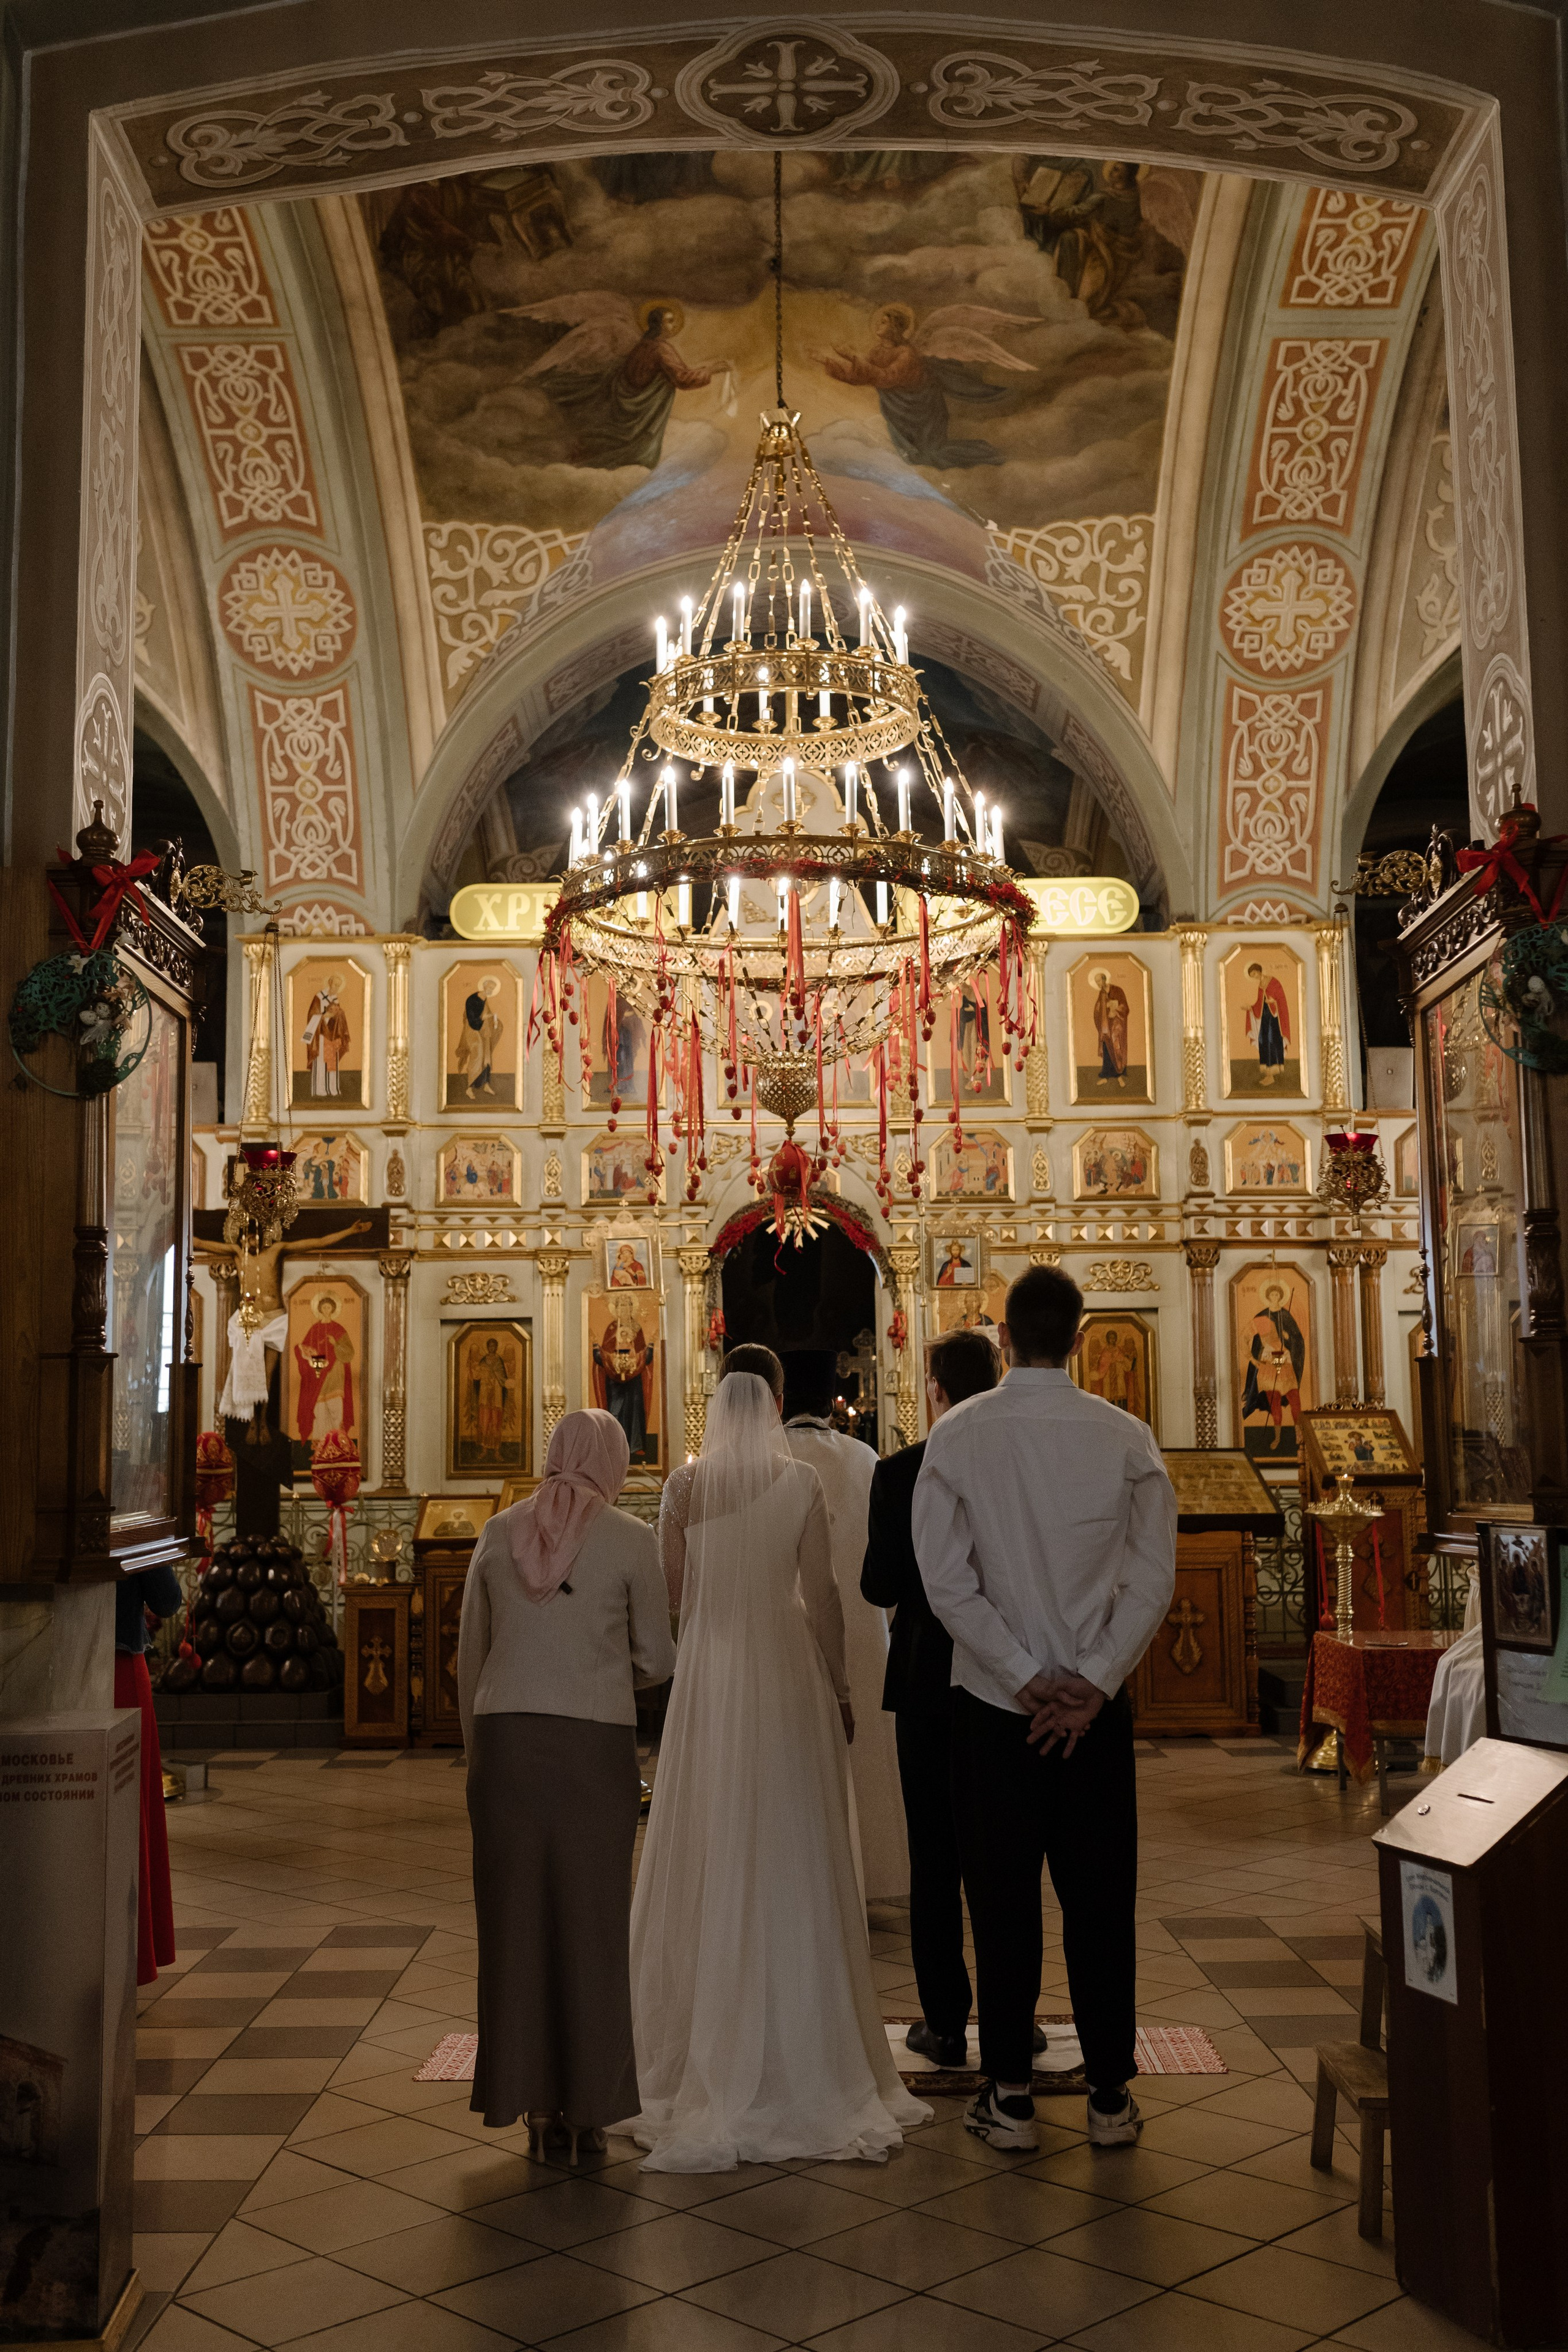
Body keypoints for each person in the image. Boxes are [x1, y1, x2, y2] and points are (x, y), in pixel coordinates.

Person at [628, 1351, 929, 2169]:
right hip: (785, 1667)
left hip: (712, 1671)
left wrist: (696, 1660)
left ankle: (703, 2032)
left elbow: (674, 1592)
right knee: (791, 1837)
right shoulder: (800, 1483)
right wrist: (835, 1685)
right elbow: (824, 1598)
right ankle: (802, 2036)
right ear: (777, 1402)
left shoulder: (684, 1488)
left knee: (712, 1832)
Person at [913, 1265, 1175, 2154]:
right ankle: (1108, 2096)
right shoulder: (1127, 1436)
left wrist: (1023, 1676)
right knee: (1101, 1900)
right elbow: (1152, 1577)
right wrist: (1091, 1680)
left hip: (995, 1712)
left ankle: (1013, 2097)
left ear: (1004, 1339)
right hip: (1092, 1719)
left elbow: (945, 1581)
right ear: (1081, 1333)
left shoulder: (959, 1436)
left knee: (1001, 1901)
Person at [457, 1409, 674, 2163]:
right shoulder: (630, 1539)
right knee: (593, 1926)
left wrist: (478, 1751)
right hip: (593, 1752)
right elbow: (656, 1655)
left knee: (514, 1931)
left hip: (505, 1751)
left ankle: (536, 2109)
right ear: (612, 1463)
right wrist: (608, 1670)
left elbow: (468, 1658)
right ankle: (589, 2114)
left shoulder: (496, 1532)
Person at [861, 1328, 1002, 2068]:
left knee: (934, 1860)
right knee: (1004, 1856)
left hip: (922, 1682)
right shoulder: (1016, 1467)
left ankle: (945, 2023)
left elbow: (877, 1586)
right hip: (1004, 1681)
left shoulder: (898, 1472)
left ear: (936, 1390)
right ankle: (1009, 2021)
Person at [783, 1350, 908, 1904]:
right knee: (868, 1754)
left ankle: (805, 1884)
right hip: (862, 1627)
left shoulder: (765, 1455)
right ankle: (876, 1876)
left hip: (787, 1632)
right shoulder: (865, 1458)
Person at [116, 1563, 184, 1984]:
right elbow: (167, 1600)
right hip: (121, 1662)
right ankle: (134, 1955)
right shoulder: (130, 1515)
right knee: (130, 1804)